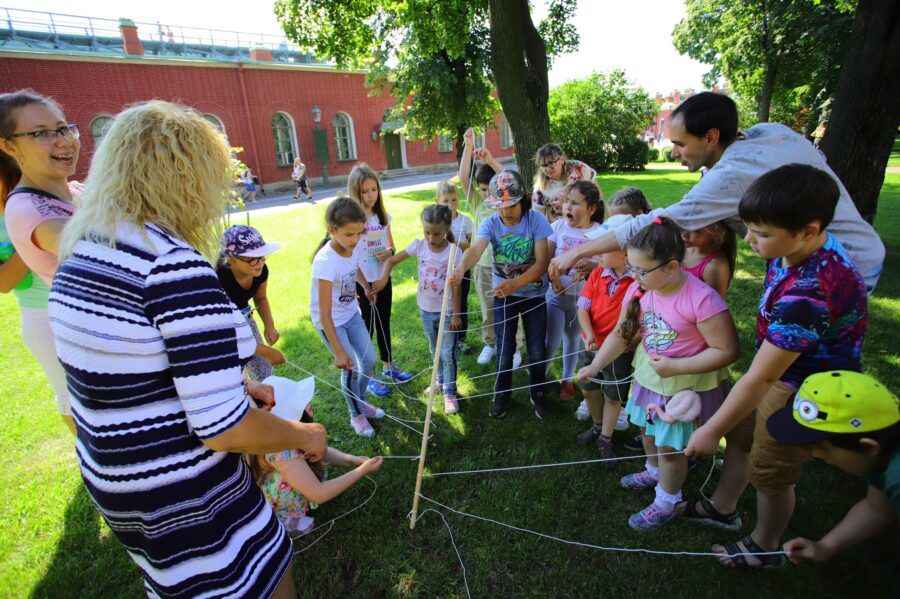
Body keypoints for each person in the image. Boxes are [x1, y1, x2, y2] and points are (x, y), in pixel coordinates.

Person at [49, 100, 327, 598]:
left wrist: (239, 390)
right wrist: (303, 435)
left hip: (119, 483)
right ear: (188, 178)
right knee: (261, 573)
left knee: (182, 584)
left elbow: (135, 381)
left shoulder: (83, 250)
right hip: (181, 490)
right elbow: (224, 429)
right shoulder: (171, 266)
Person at [684, 164, 869, 568]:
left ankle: (764, 545)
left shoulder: (809, 292)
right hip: (777, 369)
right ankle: (724, 505)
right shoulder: (791, 247)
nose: (748, 240)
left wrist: (709, 429)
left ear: (809, 229)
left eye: (761, 233)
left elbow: (763, 375)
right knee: (742, 436)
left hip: (802, 388)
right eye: (749, 228)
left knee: (771, 467)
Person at [550, 92, 885, 294]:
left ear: (711, 137)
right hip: (815, 255)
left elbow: (658, 222)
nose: (674, 153)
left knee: (793, 371)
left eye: (680, 144)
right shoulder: (767, 132)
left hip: (840, 265)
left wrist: (575, 253)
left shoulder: (733, 174)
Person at [576, 217, 739, 531]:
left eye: (641, 270)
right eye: (632, 267)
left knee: (670, 448)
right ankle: (653, 471)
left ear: (672, 267)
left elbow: (727, 350)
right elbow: (622, 335)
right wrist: (595, 367)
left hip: (683, 387)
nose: (634, 276)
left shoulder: (702, 299)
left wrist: (676, 366)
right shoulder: (641, 291)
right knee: (648, 434)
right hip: (652, 379)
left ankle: (667, 499)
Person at [0, 89, 79, 434]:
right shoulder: (26, 209)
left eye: (63, 129)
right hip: (51, 320)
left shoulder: (76, 193)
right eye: (41, 133)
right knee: (73, 399)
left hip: (91, 320)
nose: (61, 140)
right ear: (9, 146)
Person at [450, 170, 553, 420]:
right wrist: (462, 267)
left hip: (534, 296)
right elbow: (475, 249)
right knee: (504, 349)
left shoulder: (536, 221)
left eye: (512, 205)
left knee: (537, 349)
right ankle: (502, 394)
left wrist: (515, 283)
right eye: (501, 207)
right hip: (504, 297)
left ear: (523, 201)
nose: (506, 212)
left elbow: (542, 263)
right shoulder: (490, 223)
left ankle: (537, 393)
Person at [766, 371, 899, 564]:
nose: (815, 456)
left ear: (869, 446)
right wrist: (826, 546)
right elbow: (878, 507)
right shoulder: (880, 455)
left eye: (822, 449)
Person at [250, 393, 382, 535]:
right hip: (276, 495)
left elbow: (323, 452)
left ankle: (304, 493)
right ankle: (286, 518)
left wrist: (352, 460)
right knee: (290, 484)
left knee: (310, 463)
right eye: (302, 401)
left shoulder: (291, 432)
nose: (308, 402)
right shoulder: (280, 451)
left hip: (294, 471)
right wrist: (361, 471)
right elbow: (319, 493)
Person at [310, 197, 387, 438]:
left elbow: (355, 268)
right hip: (331, 322)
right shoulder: (324, 262)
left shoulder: (354, 246)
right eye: (349, 235)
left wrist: (364, 286)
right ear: (331, 230)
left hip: (351, 313)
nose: (355, 240)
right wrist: (338, 351)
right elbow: (324, 314)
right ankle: (356, 416)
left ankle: (360, 402)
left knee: (370, 360)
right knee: (350, 369)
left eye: (359, 233)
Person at [376, 204, 463, 413]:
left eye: (437, 234)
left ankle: (450, 392)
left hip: (447, 311)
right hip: (425, 309)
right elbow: (392, 260)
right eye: (427, 232)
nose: (431, 238)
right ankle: (440, 381)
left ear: (447, 229)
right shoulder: (419, 246)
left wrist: (457, 313)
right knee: (435, 351)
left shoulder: (454, 252)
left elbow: (457, 284)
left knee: (448, 353)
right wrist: (382, 279)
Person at [457, 128, 523, 368]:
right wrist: (468, 146)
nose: (486, 194)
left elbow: (511, 180)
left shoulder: (502, 206)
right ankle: (491, 343)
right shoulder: (475, 202)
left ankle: (514, 347)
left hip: (505, 267)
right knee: (487, 310)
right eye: (483, 189)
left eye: (490, 190)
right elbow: (463, 177)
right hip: (482, 267)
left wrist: (491, 160)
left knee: (509, 308)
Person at [347, 163, 412, 396]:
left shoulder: (382, 216)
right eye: (365, 191)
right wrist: (365, 286)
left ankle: (388, 367)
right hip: (363, 284)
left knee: (384, 322)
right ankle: (370, 375)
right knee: (366, 329)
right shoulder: (352, 221)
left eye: (374, 189)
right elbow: (350, 259)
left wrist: (390, 253)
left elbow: (391, 245)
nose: (370, 195)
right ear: (356, 192)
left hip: (383, 279)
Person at [574, 214, 636, 457]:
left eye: (604, 247)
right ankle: (598, 425)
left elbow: (632, 324)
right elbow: (583, 308)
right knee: (587, 385)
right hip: (590, 345)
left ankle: (606, 437)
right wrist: (589, 334)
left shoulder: (636, 282)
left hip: (620, 352)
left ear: (625, 252)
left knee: (614, 394)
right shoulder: (598, 274)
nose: (598, 252)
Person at [545, 180, 604, 400]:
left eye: (575, 203)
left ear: (591, 209)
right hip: (556, 297)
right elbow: (546, 259)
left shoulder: (601, 233)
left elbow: (610, 264)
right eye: (567, 201)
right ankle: (542, 374)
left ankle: (567, 379)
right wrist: (552, 277)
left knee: (572, 340)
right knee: (551, 341)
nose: (568, 207)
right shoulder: (557, 227)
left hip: (583, 303)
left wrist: (593, 267)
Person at [217, 224, 284, 381]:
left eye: (262, 256)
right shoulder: (218, 279)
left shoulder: (261, 271)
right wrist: (264, 351)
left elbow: (260, 298)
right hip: (225, 328)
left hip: (246, 317)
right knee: (234, 375)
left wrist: (269, 325)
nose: (260, 263)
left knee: (264, 374)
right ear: (231, 260)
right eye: (252, 260)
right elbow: (229, 334)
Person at [435, 180, 473, 355]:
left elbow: (473, 247)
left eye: (453, 200)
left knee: (461, 303)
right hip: (441, 271)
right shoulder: (437, 222)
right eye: (445, 201)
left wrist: (457, 243)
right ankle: (443, 336)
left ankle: (461, 337)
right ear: (437, 202)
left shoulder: (465, 221)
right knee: (444, 303)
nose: (450, 204)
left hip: (461, 268)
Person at [532, 143, 600, 223]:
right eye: (543, 165)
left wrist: (602, 222)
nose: (547, 169)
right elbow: (539, 219)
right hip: (560, 231)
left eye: (551, 163)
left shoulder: (579, 169)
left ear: (562, 159)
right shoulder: (540, 186)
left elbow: (598, 196)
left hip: (587, 224)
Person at [681, 220, 736, 299]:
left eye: (695, 230)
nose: (684, 234)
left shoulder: (713, 266)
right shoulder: (684, 247)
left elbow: (715, 307)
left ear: (717, 232)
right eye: (684, 225)